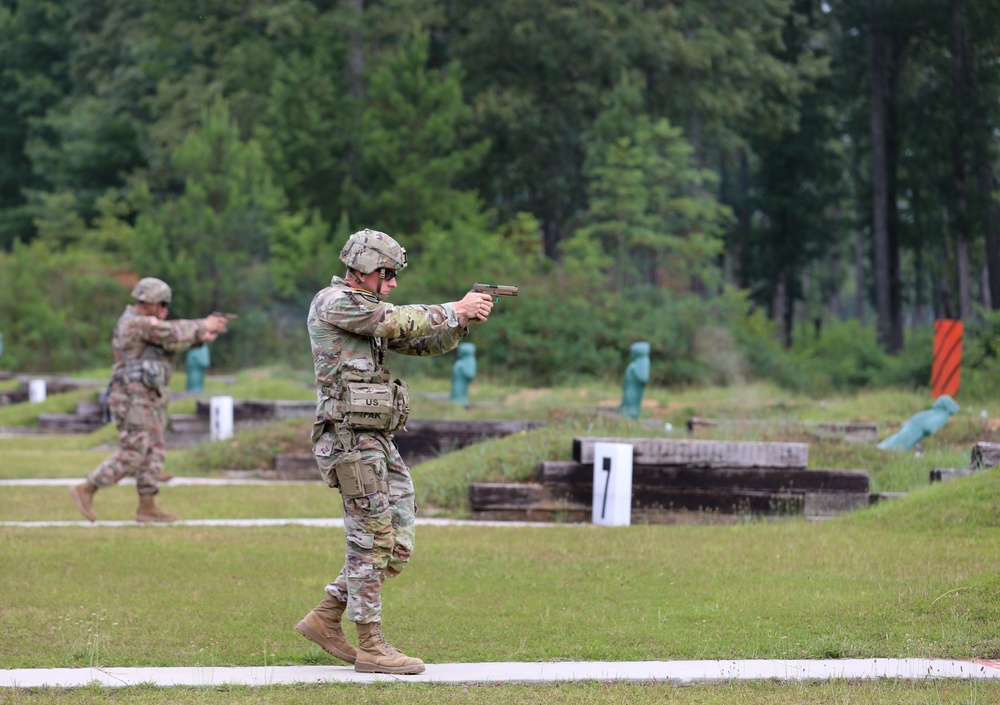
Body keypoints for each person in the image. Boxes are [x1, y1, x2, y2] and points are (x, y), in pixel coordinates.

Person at [296, 229, 493, 675]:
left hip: (376, 439)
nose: (393, 284)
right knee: (370, 538)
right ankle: (371, 646)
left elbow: (419, 341)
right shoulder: (334, 302)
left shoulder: (368, 311)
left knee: (397, 541)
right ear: (366, 269)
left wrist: (459, 322)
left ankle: (326, 617)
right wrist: (452, 307)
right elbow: (395, 320)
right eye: (389, 275)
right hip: (349, 440)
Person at [69, 277, 230, 523]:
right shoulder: (134, 323)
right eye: (162, 304)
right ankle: (88, 488)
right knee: (134, 451)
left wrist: (200, 337)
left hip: (147, 396)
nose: (165, 310)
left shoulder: (145, 325)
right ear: (152, 302)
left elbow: (169, 344)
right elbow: (170, 331)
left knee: (153, 451)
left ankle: (147, 507)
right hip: (132, 398)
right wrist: (203, 325)